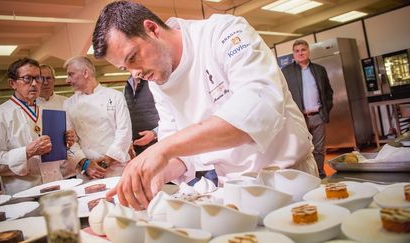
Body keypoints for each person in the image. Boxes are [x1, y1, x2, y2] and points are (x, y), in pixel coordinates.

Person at [92, 1, 317, 210]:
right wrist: (155, 174)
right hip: (232, 190)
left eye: (133, 58)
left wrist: (162, 149)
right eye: (125, 68)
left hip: (289, 180)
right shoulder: (158, 81)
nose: (135, 73)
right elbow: (181, 154)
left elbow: (259, 110)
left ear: (151, 29)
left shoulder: (223, 32)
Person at [0, 57, 76, 195]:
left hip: (56, 185)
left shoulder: (48, 111)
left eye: (38, 78)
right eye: (27, 78)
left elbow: (57, 157)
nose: (34, 84)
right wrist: (26, 152)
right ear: (12, 83)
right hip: (24, 193)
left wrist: (65, 143)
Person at [63, 56, 132, 179]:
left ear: (85, 73)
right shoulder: (68, 104)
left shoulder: (115, 96)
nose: (67, 80)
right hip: (87, 171)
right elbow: (69, 141)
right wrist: (85, 163)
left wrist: (108, 160)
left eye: (71, 74)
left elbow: (124, 131)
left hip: (117, 167)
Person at [281, 39, 334, 178]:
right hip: (298, 118)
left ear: (308, 51)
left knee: (319, 149)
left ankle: (320, 175)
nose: (300, 53)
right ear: (293, 54)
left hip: (317, 116)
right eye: (297, 51)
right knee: (300, 150)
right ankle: (306, 178)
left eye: (303, 50)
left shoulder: (319, 70)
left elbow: (328, 92)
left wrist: (325, 111)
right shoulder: (286, 72)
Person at [36, 64, 80, 179]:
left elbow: (78, 134)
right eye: (41, 78)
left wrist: (72, 136)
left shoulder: (66, 102)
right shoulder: (31, 107)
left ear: (54, 80)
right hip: (44, 172)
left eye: (49, 78)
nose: (45, 82)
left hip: (70, 169)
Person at [124, 76, 159, 156]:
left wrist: (154, 133)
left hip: (158, 143)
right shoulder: (127, 85)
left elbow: (171, 114)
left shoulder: (154, 81)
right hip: (138, 147)